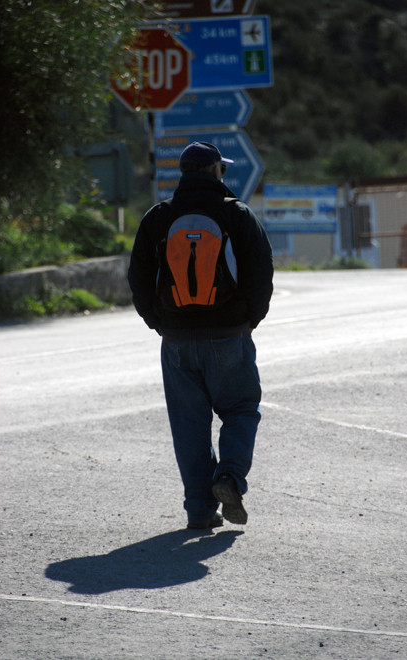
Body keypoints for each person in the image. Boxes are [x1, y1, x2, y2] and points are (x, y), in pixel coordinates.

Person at [128, 141, 273, 529]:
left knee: (189, 427)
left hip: (175, 340)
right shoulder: (237, 214)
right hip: (229, 334)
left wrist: (158, 323)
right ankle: (228, 477)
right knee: (241, 409)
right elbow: (261, 274)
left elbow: (138, 279)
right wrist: (248, 321)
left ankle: (200, 511)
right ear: (213, 172)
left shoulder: (158, 217)